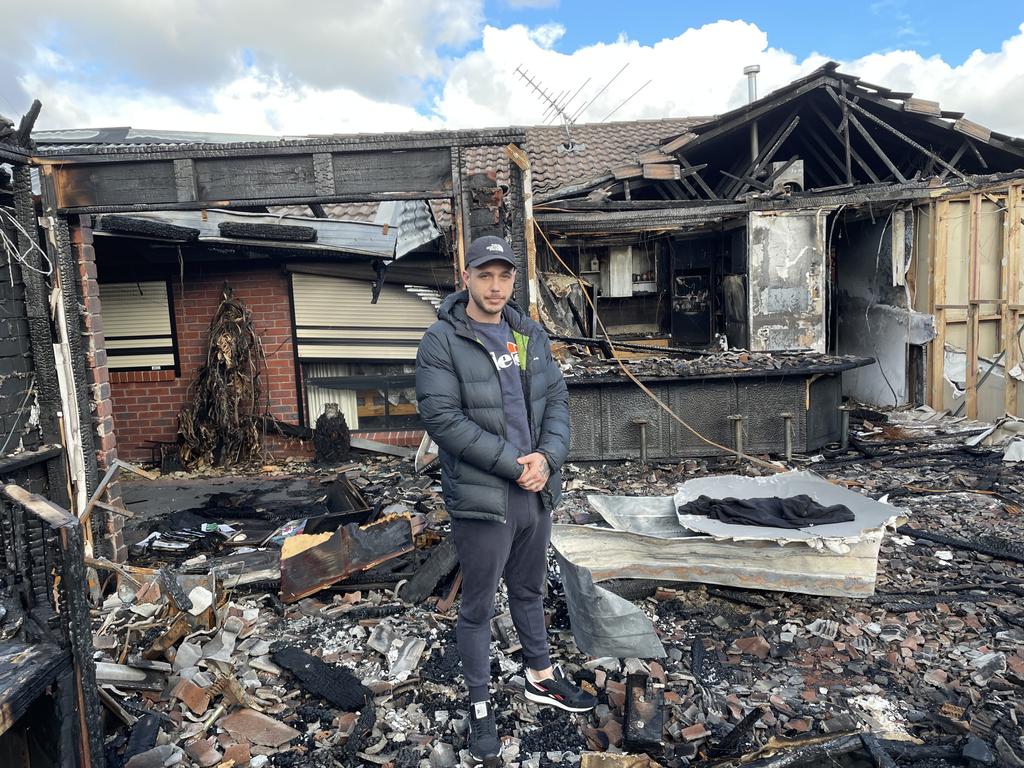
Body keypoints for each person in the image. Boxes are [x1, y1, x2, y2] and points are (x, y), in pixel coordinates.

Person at [415, 235, 596, 766]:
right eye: (485, 275)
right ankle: (478, 703)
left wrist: (548, 458)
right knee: (477, 608)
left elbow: (558, 400)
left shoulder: (528, 333)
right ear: (466, 277)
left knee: (529, 590)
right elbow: (443, 420)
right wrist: (513, 464)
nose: (496, 286)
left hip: (534, 492)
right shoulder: (441, 341)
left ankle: (540, 676)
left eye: (505, 276)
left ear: (514, 280)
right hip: (485, 497)